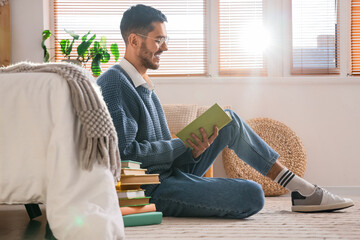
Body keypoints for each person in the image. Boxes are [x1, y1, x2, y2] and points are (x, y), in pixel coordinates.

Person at [97, 4, 354, 218]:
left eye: (166, 39)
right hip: (149, 189)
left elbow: (164, 151)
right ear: (133, 40)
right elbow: (123, 155)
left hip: (169, 173)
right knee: (252, 193)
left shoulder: (143, 84)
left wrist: (193, 149)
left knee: (228, 120)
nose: (165, 47)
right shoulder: (114, 84)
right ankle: (302, 191)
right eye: (159, 40)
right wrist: (179, 144)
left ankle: (299, 188)